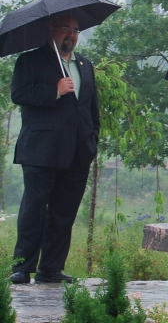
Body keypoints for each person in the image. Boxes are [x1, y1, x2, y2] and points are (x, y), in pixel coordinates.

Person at [9, 15, 100, 284]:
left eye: (76, 30)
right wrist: (55, 90)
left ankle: (51, 269)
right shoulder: (31, 60)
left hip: (78, 152)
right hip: (41, 150)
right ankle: (22, 267)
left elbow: (92, 108)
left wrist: (92, 139)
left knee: (64, 212)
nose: (71, 35)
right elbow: (19, 94)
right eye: (66, 30)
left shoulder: (84, 64)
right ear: (52, 30)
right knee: (34, 210)